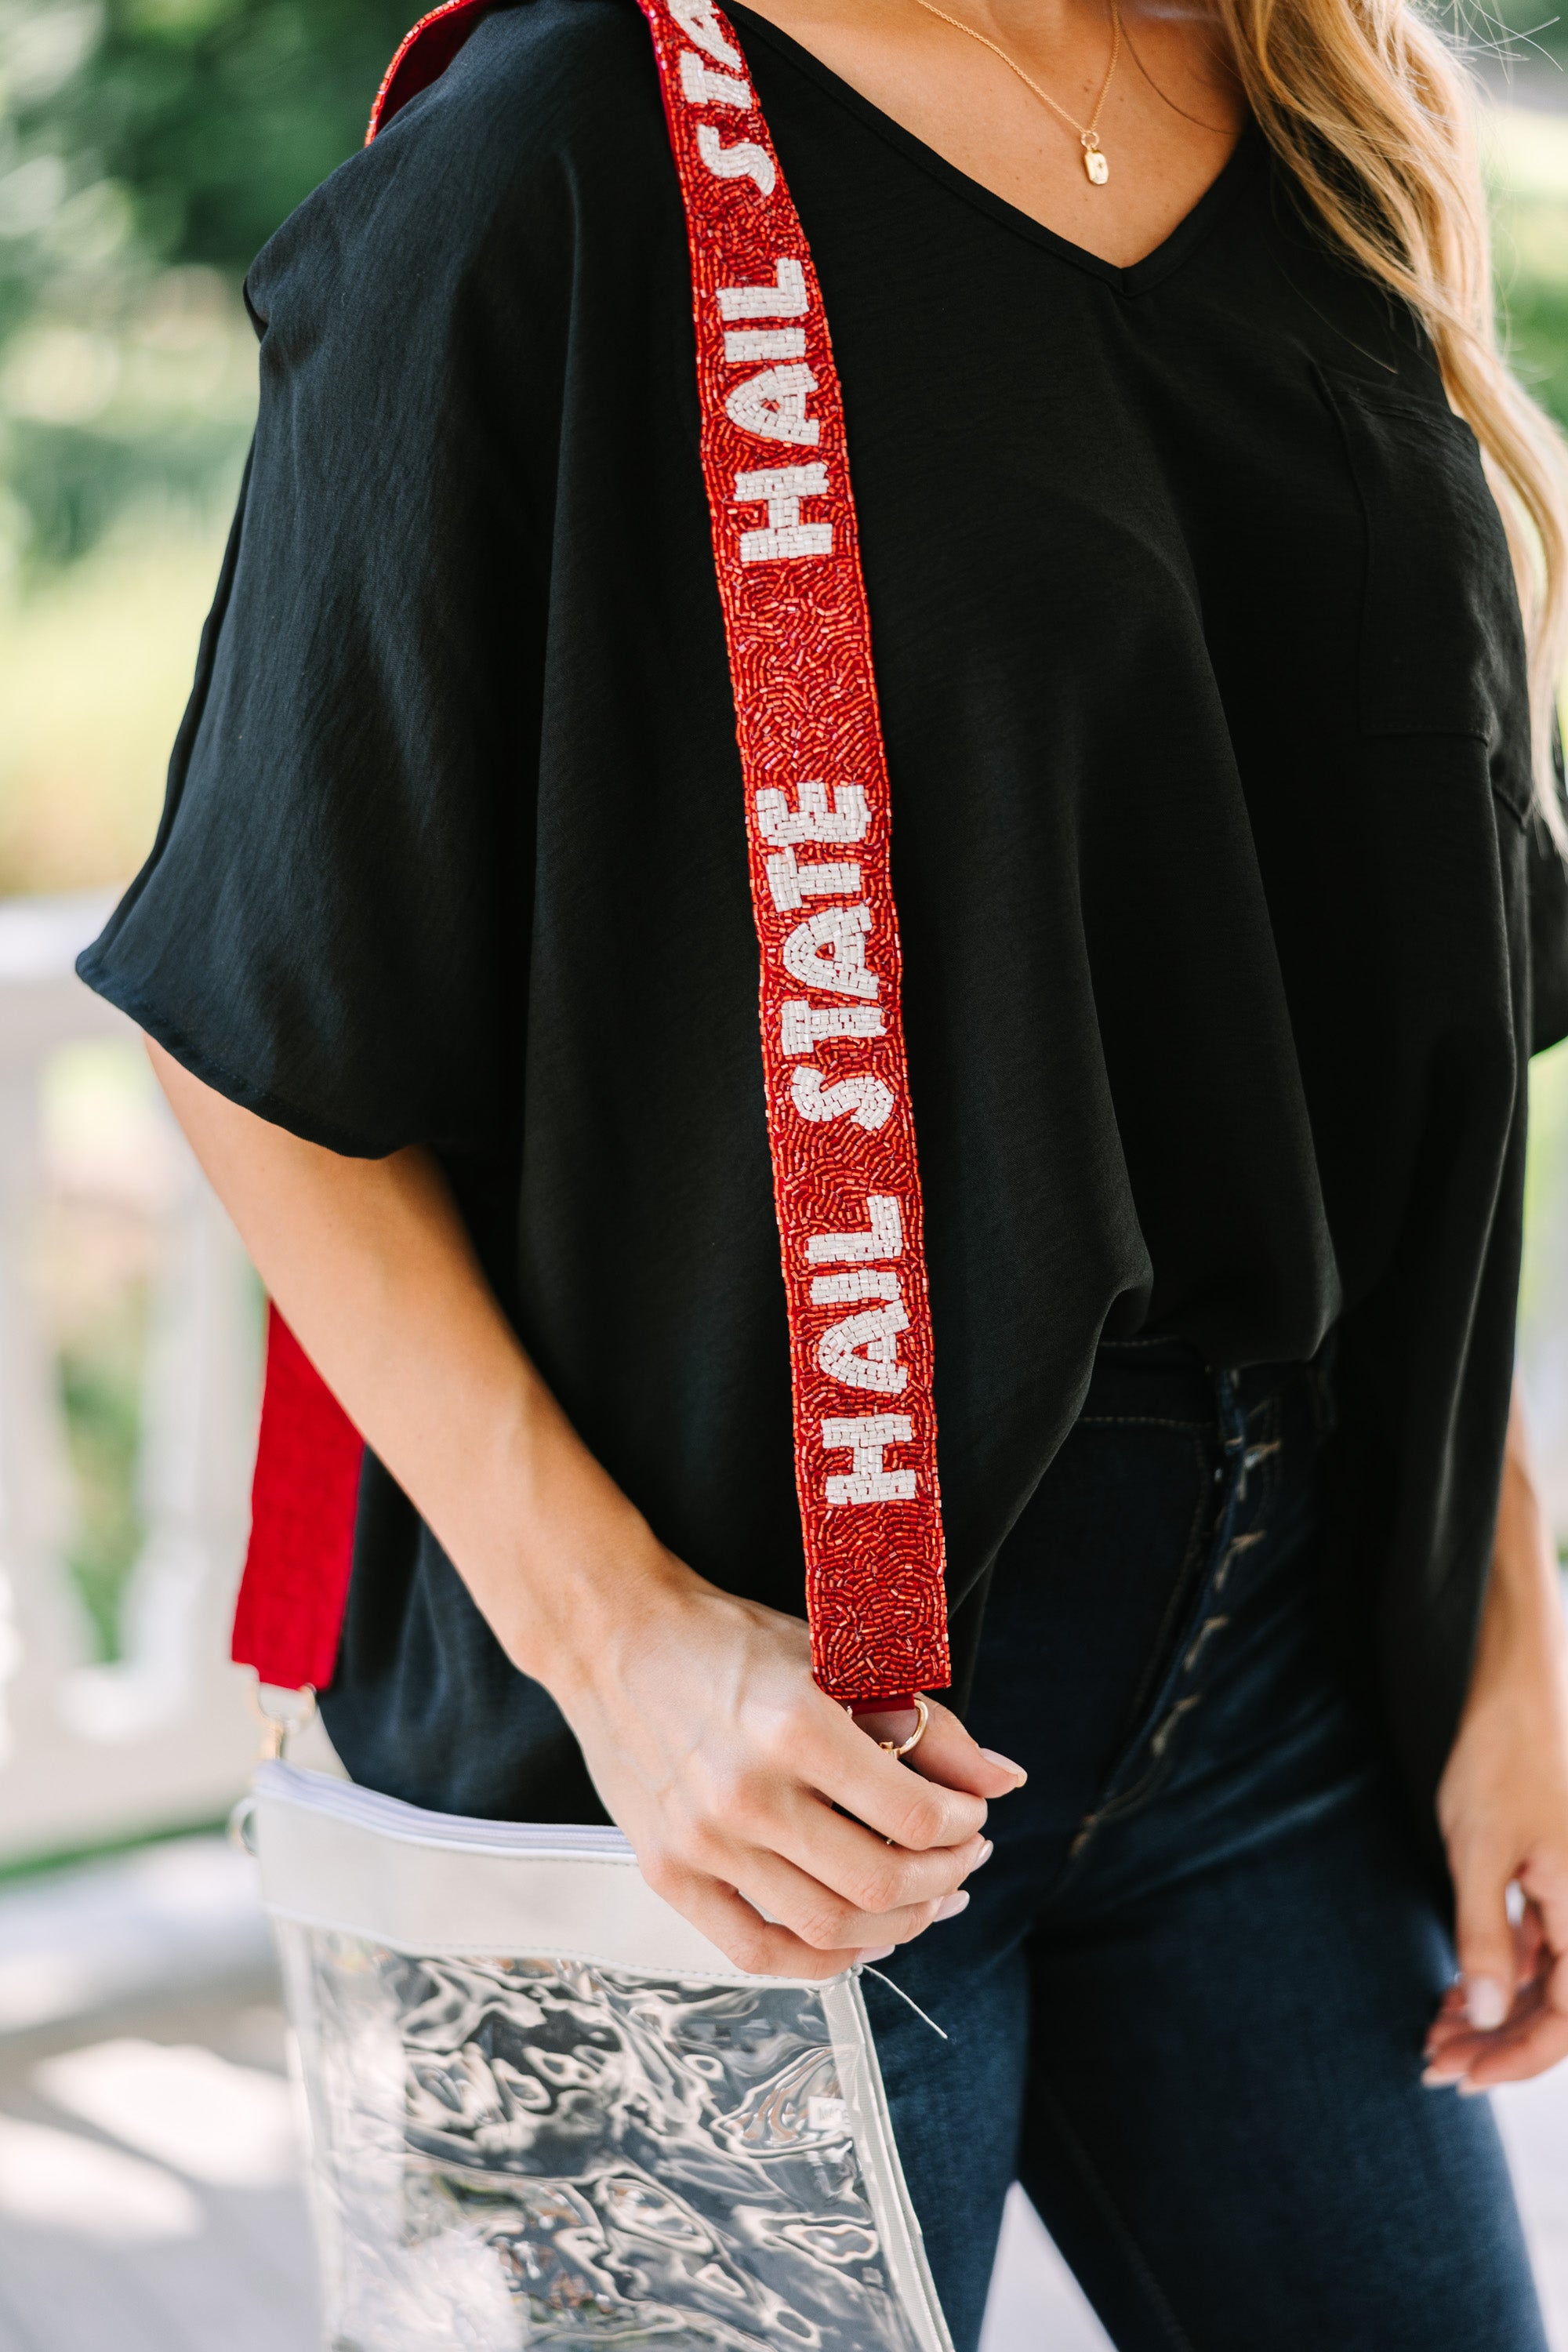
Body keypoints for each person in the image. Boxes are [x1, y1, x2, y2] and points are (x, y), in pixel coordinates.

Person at [78, 0, 1568, 2337]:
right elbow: (258, 1016)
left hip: (1283, 1689)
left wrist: (1505, 1634)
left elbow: (1385, 1051)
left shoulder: (1315, 117)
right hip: (753, 1755)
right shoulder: (557, 153)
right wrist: (627, 1658)